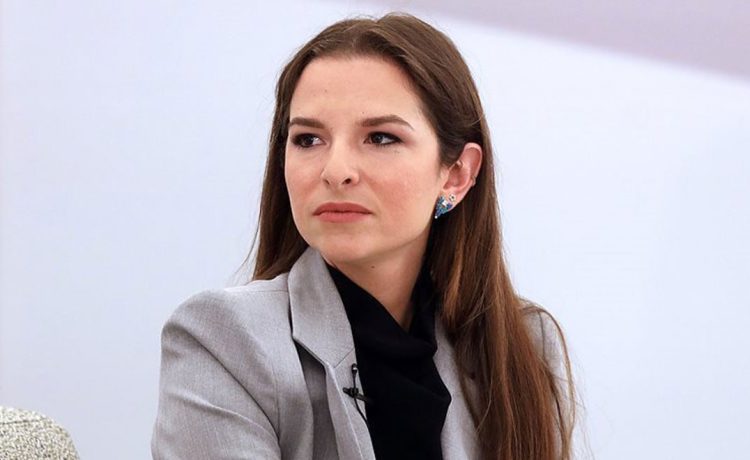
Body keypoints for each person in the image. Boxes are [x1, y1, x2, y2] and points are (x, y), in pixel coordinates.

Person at [152, 12, 577, 460]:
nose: (336, 171)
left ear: (456, 174)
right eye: (308, 139)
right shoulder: (225, 341)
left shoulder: (524, 346)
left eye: (380, 138)